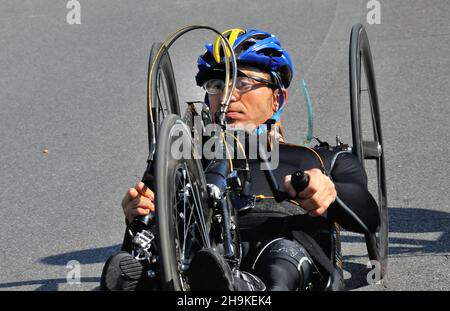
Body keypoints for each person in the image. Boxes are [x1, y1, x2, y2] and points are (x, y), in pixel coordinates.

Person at [101, 28, 380, 291]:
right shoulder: (185, 166)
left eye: (243, 83)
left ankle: (237, 285)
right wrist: (137, 216)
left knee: (282, 257)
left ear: (277, 99)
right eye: (216, 85)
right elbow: (140, 244)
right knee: (132, 269)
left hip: (283, 257)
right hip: (201, 258)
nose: (227, 96)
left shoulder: (319, 159)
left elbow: (369, 217)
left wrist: (331, 192)